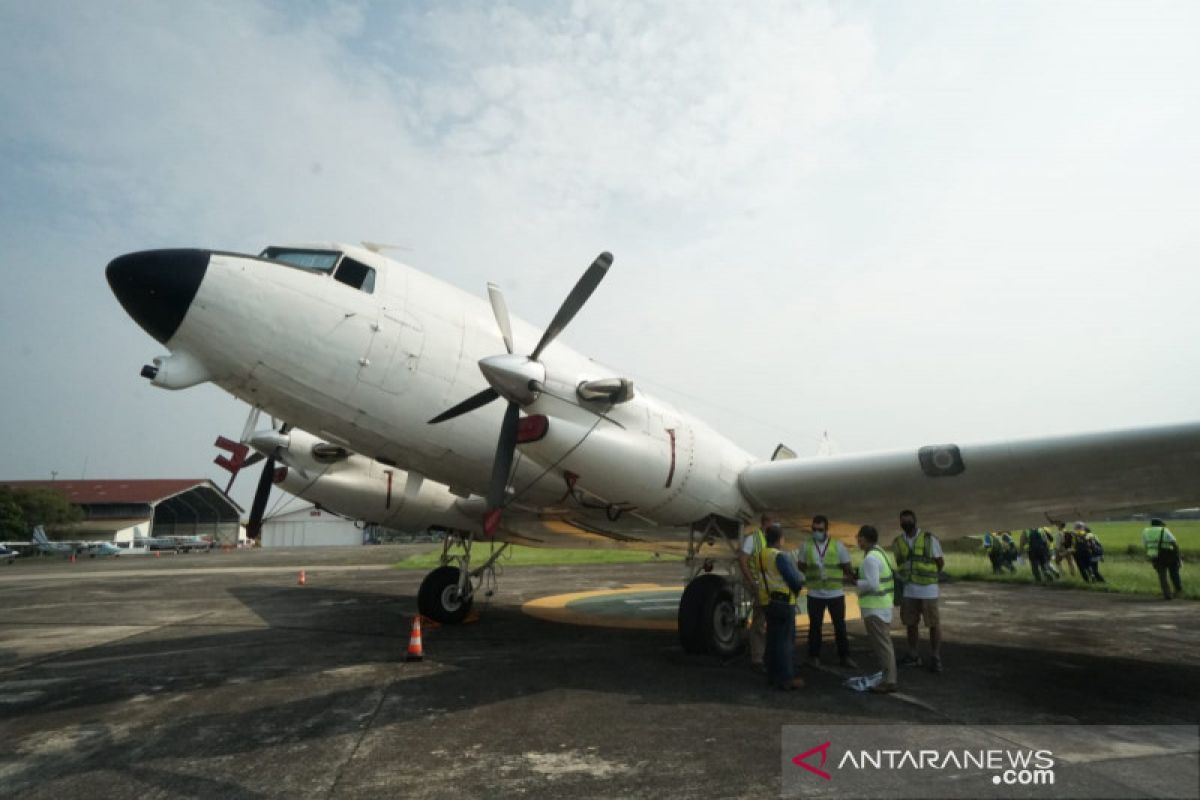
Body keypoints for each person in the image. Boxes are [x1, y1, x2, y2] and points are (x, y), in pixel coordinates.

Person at [796, 515, 857, 668]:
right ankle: (814, 656)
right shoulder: (806, 545)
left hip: (834, 593)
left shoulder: (838, 545)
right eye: (814, 529)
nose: (817, 532)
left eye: (820, 529)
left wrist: (852, 577)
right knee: (815, 627)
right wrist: (813, 568)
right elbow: (801, 565)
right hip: (815, 593)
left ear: (826, 529)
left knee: (840, 626)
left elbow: (846, 566)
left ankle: (845, 656)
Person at [893, 509, 945, 673]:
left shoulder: (929, 539)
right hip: (909, 590)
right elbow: (900, 564)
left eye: (908, 521)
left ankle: (935, 656)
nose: (906, 524)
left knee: (933, 624)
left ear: (915, 521)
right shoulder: (898, 542)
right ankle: (913, 654)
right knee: (910, 624)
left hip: (928, 590)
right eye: (903, 522)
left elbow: (940, 562)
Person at [757, 523, 806, 690]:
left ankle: (772, 675)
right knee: (785, 641)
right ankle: (786, 678)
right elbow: (793, 579)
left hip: (767, 601)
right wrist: (799, 586)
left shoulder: (761, 555)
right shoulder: (779, 556)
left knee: (772, 639)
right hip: (784, 602)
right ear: (780, 539)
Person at [852, 525, 898, 694]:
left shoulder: (871, 558)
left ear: (864, 538)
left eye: (859, 538)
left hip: (875, 608)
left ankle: (889, 681)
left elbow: (872, 584)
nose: (858, 541)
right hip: (882, 605)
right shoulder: (880, 553)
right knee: (885, 645)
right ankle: (888, 678)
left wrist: (856, 583)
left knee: (882, 647)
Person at [737, 514, 771, 671]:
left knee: (764, 617)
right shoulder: (754, 539)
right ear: (766, 523)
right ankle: (757, 658)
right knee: (760, 619)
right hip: (759, 584)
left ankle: (763, 654)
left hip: (769, 585)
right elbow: (743, 560)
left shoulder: (771, 539)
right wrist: (752, 582)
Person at [1142, 518, 1183, 600]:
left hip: (1156, 556)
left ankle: (1167, 594)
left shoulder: (1145, 531)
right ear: (1160, 524)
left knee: (1162, 576)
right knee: (1174, 573)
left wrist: (1150, 555)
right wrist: (1178, 556)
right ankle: (1178, 591)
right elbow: (1174, 542)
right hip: (1169, 554)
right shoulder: (1165, 530)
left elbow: (1145, 544)